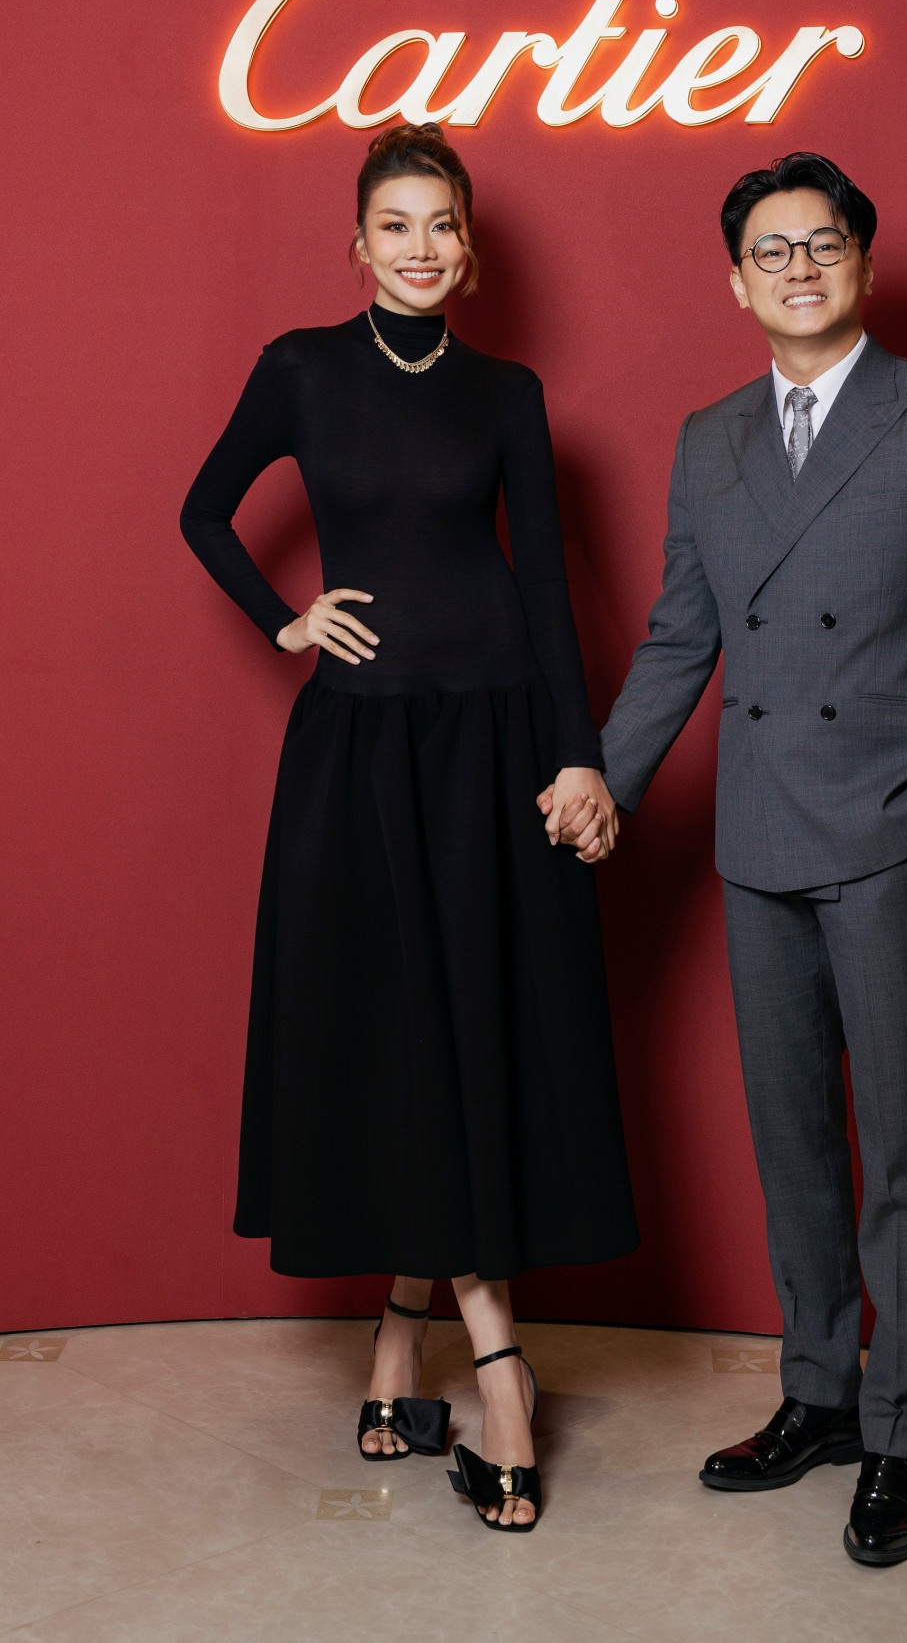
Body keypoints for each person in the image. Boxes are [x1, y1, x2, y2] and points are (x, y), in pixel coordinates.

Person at [555, 151, 907, 1564]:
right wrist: (606, 774)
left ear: (863, 264)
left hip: (888, 830)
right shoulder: (709, 438)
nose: (800, 268)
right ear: (737, 282)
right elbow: (679, 637)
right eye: (772, 251)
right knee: (794, 1144)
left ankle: (897, 1434)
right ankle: (819, 1393)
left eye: (822, 244)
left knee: (904, 1148)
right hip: (758, 832)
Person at [180, 122, 637, 1533]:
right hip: (361, 750)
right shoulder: (300, 368)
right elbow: (203, 512)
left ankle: (413, 1345)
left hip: (496, 743)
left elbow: (547, 587)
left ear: (471, 246)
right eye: (397, 224)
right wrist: (285, 620)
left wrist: (581, 755)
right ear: (359, 243)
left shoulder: (508, 391)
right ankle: (493, 1366)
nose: (421, 247)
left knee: (470, 1035)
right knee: (393, 1035)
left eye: (443, 223)